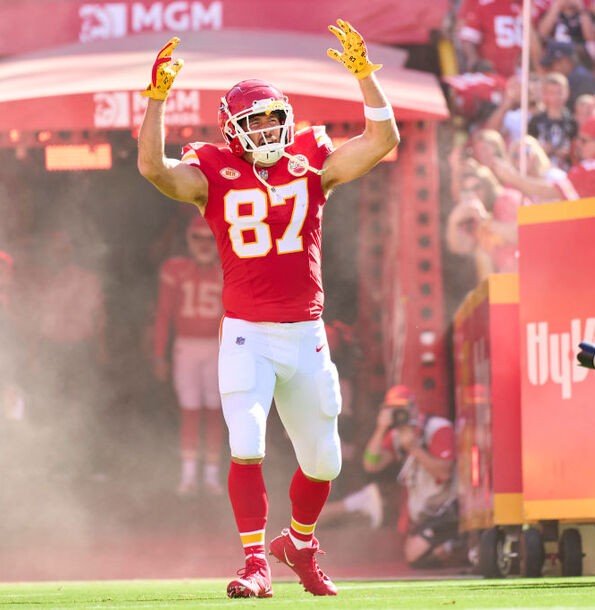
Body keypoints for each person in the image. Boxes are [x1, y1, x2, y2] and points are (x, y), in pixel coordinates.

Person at [136, 20, 399, 598]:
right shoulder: (212, 171)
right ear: (232, 129)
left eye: (272, 117)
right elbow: (154, 170)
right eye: (253, 121)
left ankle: (298, 544)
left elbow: (382, 143)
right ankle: (255, 563)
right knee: (247, 443)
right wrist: (155, 101)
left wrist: (364, 78)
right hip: (247, 334)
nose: (266, 128)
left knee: (325, 462)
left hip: (305, 332)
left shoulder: (312, 160)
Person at [152, 214, 225, 497]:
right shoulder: (175, 269)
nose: (204, 245)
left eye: (210, 239)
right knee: (190, 410)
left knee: (215, 411)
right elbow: (163, 314)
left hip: (216, 348)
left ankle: (210, 476)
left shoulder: (225, 271)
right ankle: (188, 475)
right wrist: (159, 355)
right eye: (198, 238)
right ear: (188, 239)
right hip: (186, 346)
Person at [361, 385, 461, 568]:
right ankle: (445, 545)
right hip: (426, 512)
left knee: (415, 555)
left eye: (403, 407)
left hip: (447, 508)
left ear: (414, 407)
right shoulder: (397, 436)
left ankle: (455, 546)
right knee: (412, 552)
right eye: (393, 409)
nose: (400, 413)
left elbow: (444, 473)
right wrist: (381, 429)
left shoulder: (437, 428)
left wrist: (415, 448)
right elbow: (371, 464)